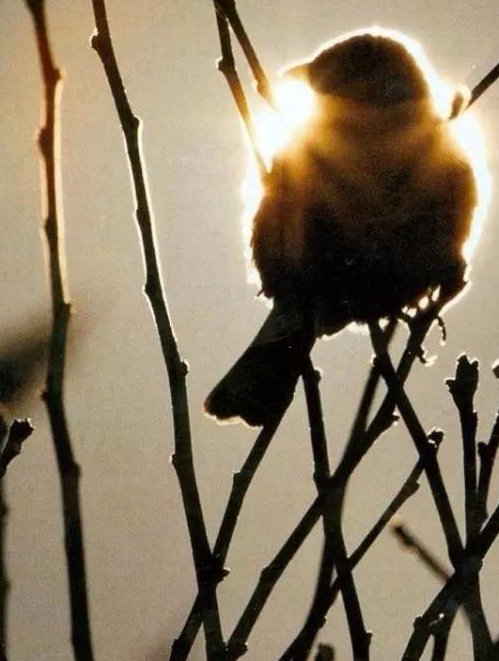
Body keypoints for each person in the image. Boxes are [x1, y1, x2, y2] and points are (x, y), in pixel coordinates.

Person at [205, 30, 481, 427]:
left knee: (298, 314)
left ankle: (284, 341)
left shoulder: (426, 152)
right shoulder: (439, 153)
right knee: (300, 313)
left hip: (321, 282)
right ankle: (289, 335)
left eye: (331, 82)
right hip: (339, 286)